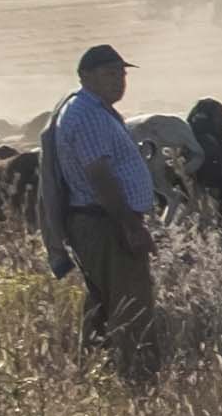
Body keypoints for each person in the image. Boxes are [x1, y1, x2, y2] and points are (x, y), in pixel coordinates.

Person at [40, 40, 163, 378]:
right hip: (105, 222)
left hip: (99, 221)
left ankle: (95, 374)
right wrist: (130, 226)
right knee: (131, 304)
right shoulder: (89, 115)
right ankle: (137, 379)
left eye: (122, 74)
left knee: (104, 303)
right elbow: (100, 175)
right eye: (109, 74)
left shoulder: (91, 110)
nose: (118, 81)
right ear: (84, 76)